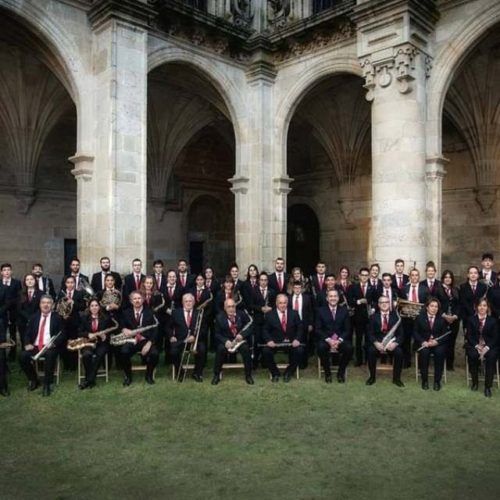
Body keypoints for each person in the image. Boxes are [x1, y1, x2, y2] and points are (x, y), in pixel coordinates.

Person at [19, 295, 64, 396]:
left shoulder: (57, 317)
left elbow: (62, 334)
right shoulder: (34, 317)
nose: (46, 305)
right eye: (43, 302)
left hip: (49, 346)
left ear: (52, 305)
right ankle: (34, 380)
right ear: (40, 305)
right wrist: (27, 344)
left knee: (50, 355)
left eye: (48, 303)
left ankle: (47, 384)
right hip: (35, 346)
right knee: (22, 356)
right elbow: (27, 333)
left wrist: (54, 343)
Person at [262, 294, 304, 383]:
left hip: (291, 343)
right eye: (280, 303)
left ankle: (288, 372)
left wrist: (297, 339)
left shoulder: (294, 313)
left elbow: (300, 328)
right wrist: (269, 340)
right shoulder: (269, 315)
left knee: (299, 351)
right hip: (275, 343)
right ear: (276, 303)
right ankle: (275, 373)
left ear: (287, 303)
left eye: (285, 303)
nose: (283, 305)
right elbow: (265, 330)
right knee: (266, 351)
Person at [120, 291, 159, 386]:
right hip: (131, 340)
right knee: (123, 352)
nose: (137, 300)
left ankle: (149, 375)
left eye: (139, 298)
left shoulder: (150, 312)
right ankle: (128, 376)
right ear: (131, 301)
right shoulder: (126, 312)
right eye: (135, 299)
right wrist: (123, 329)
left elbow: (155, 330)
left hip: (145, 340)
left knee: (155, 354)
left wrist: (149, 343)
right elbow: (121, 325)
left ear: (143, 300)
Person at [212, 298, 254, 385]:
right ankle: (216, 375)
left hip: (239, 340)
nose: (231, 309)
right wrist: (225, 341)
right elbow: (217, 334)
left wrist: (242, 335)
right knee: (220, 349)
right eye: (229, 307)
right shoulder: (219, 317)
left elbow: (250, 327)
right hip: (227, 341)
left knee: (246, 349)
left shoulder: (241, 314)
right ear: (224, 308)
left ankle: (248, 375)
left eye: (233, 306)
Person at [316, 289, 353, 383]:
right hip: (326, 339)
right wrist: (329, 340)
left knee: (349, 348)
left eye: (335, 296)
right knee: (320, 347)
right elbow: (318, 329)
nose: (333, 298)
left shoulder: (344, 311)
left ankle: (340, 373)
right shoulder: (320, 311)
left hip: (340, 340)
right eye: (331, 296)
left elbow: (347, 329)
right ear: (327, 298)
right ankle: (327, 373)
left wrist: (339, 340)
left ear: (338, 298)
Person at [366, 296, 404, 387]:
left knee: (399, 352)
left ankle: (397, 379)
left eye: (386, 302)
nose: (384, 304)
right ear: (378, 304)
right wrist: (375, 343)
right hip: (378, 344)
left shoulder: (396, 317)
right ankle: (372, 377)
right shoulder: (373, 317)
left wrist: (395, 343)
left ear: (389, 304)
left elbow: (401, 334)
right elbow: (369, 333)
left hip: (391, 343)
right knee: (371, 351)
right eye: (381, 302)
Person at [78, 299, 115, 390]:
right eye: (92, 306)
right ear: (89, 307)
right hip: (88, 342)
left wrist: (105, 336)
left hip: (101, 343)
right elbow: (79, 332)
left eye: (96, 305)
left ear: (99, 307)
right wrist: (88, 334)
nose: (94, 307)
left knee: (99, 355)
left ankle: (88, 380)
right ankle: (91, 379)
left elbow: (111, 331)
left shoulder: (106, 318)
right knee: (86, 355)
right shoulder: (84, 318)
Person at [464, 298, 498, 397]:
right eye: (480, 305)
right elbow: (468, 336)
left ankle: (487, 387)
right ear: (476, 307)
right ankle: (475, 383)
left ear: (487, 308)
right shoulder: (470, 319)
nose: (482, 307)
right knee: (473, 356)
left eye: (484, 305)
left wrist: (486, 347)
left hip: (490, 346)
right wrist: (477, 346)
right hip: (474, 345)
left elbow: (496, 337)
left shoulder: (493, 321)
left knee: (491, 358)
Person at [413, 298, 449, 391]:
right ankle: (424, 380)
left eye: (436, 306)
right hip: (424, 344)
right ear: (427, 307)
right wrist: (423, 341)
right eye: (432, 306)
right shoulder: (419, 317)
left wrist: (437, 342)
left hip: (438, 344)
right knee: (424, 353)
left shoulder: (442, 319)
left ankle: (437, 381)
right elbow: (415, 333)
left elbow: (446, 335)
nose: (434, 308)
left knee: (440, 353)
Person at [170, 293, 206, 382]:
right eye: (186, 301)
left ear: (194, 302)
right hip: (181, 340)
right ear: (182, 302)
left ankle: (197, 373)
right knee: (173, 351)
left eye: (190, 301)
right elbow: (168, 326)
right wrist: (171, 336)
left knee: (202, 349)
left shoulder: (199, 313)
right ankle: (180, 372)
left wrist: (194, 336)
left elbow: (204, 329)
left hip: (195, 340)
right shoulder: (175, 313)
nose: (188, 303)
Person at [348, 267, 375, 366]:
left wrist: (373, 309)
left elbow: (376, 301)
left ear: (368, 276)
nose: (364, 277)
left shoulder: (372, 288)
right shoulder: (353, 287)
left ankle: (368, 359)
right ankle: (358, 360)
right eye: (362, 275)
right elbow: (350, 301)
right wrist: (359, 301)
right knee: (358, 340)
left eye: (366, 275)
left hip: (369, 318)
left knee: (369, 340)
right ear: (359, 276)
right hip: (357, 318)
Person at [288, 280, 314, 368]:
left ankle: (303, 363)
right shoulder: (289, 298)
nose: (297, 289)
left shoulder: (307, 298)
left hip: (304, 323)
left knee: (304, 343)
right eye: (295, 288)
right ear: (292, 288)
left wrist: (310, 324)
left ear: (302, 289)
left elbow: (311, 312)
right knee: (293, 343)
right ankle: (293, 363)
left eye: (299, 288)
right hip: (292, 325)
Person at [438, 270, 460, 371]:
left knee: (452, 343)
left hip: (454, 321)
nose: (448, 279)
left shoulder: (456, 290)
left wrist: (455, 316)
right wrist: (444, 315)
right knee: (442, 342)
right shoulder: (438, 290)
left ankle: (450, 365)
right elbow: (435, 305)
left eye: (450, 277)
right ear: (443, 278)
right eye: (446, 277)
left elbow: (459, 305)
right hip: (442, 320)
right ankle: (440, 363)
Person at [1, 263, 22, 360]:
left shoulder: (16, 283)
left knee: (13, 332)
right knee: (3, 333)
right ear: (1, 272)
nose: (6, 272)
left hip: (13, 312)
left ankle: (12, 355)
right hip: (2, 313)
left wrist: (12, 304)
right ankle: (3, 354)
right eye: (4, 270)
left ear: (11, 271)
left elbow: (19, 297)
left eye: (8, 270)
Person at [17, 274, 44, 346]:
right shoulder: (20, 293)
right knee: (24, 342)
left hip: (36, 320)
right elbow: (19, 309)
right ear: (25, 282)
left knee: (34, 341)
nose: (29, 281)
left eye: (31, 279)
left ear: (35, 281)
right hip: (23, 321)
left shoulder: (41, 293)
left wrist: (33, 318)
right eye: (27, 280)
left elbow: (42, 307)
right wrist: (28, 317)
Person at [459, 266, 488, 332]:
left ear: (478, 275)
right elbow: (463, 302)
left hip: (481, 316)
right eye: (471, 273)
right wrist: (472, 312)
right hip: (467, 316)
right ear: (468, 275)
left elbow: (484, 301)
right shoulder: (463, 287)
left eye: (475, 273)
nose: (473, 275)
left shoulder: (483, 287)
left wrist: (478, 312)